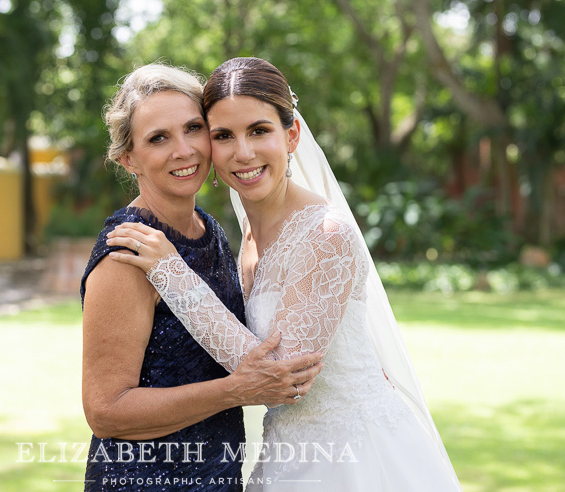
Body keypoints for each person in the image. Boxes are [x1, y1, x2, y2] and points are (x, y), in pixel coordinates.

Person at [107, 57, 463, 491]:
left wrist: (173, 275)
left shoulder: (326, 234)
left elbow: (284, 377)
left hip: (352, 460)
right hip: (285, 456)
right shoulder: (245, 242)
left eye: (259, 131)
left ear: (291, 135)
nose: (243, 152)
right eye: (223, 135)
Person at [80, 63, 325, 492]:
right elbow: (105, 410)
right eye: (158, 138)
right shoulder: (128, 252)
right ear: (129, 158)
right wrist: (235, 391)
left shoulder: (209, 230)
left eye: (194, 128)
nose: (184, 149)